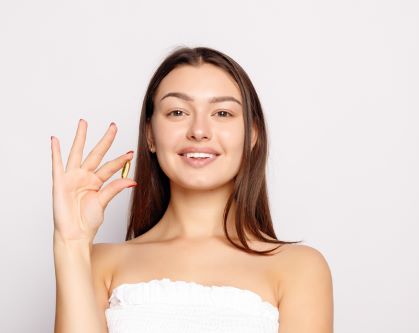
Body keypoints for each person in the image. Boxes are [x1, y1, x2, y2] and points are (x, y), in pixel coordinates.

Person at [51, 46, 333, 333]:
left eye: (222, 113)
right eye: (177, 112)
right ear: (150, 134)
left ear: (253, 135)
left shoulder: (300, 268)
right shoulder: (99, 263)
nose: (199, 131)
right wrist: (71, 243)